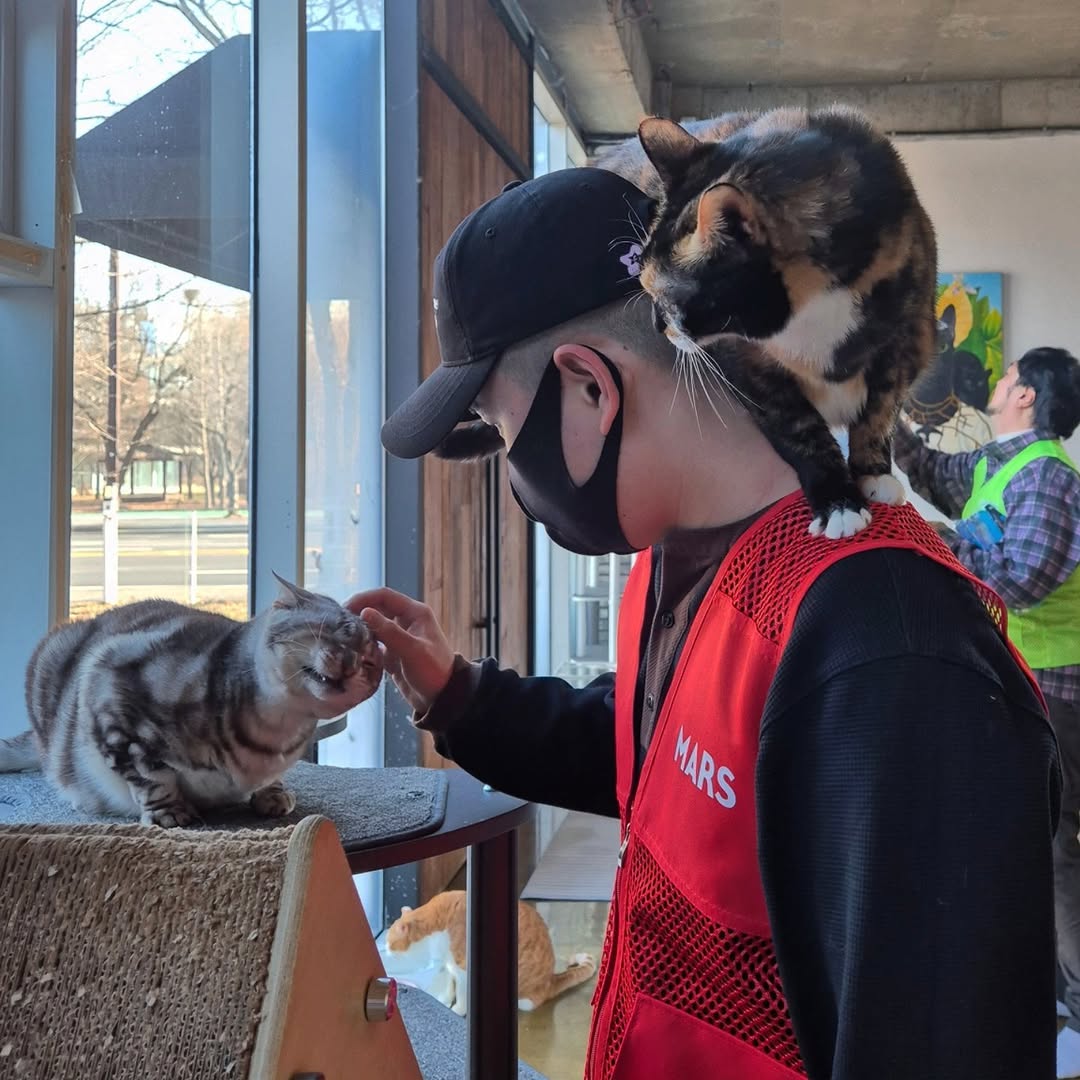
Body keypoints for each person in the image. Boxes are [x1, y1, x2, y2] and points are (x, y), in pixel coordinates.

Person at [350, 168, 1060, 1079]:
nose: (512, 480)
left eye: (499, 431)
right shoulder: (679, 564)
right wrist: (458, 694)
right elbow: (664, 760)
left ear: (591, 389)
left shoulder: (893, 654)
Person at [893, 347, 1080, 1079]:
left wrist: (937, 543)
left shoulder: (1049, 480)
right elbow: (934, 474)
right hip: (1021, 683)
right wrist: (890, 411)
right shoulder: (1003, 467)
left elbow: (1021, 580)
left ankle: (1073, 1014)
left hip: (1058, 693)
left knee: (1055, 854)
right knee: (1032, 848)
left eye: (1006, 379)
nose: (995, 385)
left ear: (1027, 397)